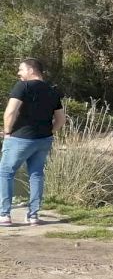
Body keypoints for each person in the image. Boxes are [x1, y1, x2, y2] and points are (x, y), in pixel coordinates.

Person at [1, 57, 65, 227]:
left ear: (31, 70)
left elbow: (10, 112)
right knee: (36, 175)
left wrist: (7, 132)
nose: (19, 73)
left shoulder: (23, 86)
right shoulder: (52, 91)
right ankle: (33, 216)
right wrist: (49, 132)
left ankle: (4, 215)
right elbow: (61, 120)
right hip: (43, 140)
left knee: (6, 173)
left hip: (20, 138)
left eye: (21, 69)